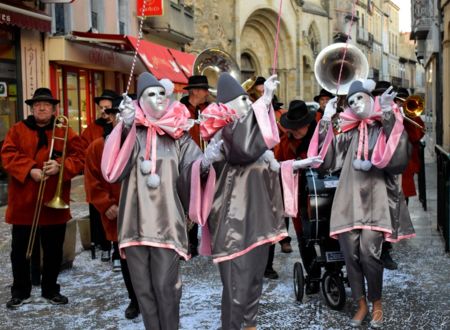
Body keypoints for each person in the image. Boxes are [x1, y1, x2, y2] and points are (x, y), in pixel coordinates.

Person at [308, 79, 415, 328]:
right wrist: (326, 120)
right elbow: (326, 159)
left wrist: (388, 115)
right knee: (350, 255)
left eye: (361, 98)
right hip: (348, 201)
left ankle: (376, 302)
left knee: (369, 254)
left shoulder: (381, 127)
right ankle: (361, 303)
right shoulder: (348, 132)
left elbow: (397, 157)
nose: (356, 104)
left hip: (375, 201)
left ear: (370, 99)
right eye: (352, 100)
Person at [101, 72, 204, 329]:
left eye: (161, 93)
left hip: (166, 222)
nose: (158, 98)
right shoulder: (130, 132)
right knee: (144, 292)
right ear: (139, 101)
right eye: (150, 94)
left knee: (167, 289)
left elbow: (195, 169)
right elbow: (114, 171)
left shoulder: (179, 135)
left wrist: (209, 160)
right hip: (134, 224)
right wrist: (123, 129)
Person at [198, 73, 293, 330]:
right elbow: (243, 149)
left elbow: (266, 160)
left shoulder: (252, 134)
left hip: (259, 220)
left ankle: (250, 325)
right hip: (232, 224)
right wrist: (265, 100)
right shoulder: (226, 133)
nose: (247, 104)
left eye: (246, 99)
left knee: (253, 281)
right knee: (235, 287)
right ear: (226, 107)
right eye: (242, 100)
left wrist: (298, 165)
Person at [1, 88, 84, 309]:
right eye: (37, 104)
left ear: (54, 109)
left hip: (53, 205)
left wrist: (60, 166)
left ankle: (50, 289)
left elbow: (80, 158)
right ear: (31, 108)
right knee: (20, 252)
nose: (41, 107)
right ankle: (20, 291)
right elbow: (7, 155)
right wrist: (29, 170)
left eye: (46, 104)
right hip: (23, 205)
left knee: (53, 252)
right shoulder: (17, 130)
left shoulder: (65, 130)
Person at [84, 97, 139, 319]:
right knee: (126, 257)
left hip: (147, 211)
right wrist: (106, 204)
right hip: (117, 211)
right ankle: (135, 300)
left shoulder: (146, 142)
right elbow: (92, 179)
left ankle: (154, 297)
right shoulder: (99, 145)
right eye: (119, 115)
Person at [273, 100, 321, 293]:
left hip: (320, 191)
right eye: (294, 127)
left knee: (325, 232)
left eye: (300, 126)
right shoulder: (286, 140)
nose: (297, 130)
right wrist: (293, 164)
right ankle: (313, 274)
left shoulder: (320, 135)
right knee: (303, 235)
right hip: (297, 192)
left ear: (308, 124)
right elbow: (278, 162)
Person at [81, 89, 119, 263]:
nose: (104, 111)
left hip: (117, 186)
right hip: (100, 182)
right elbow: (83, 151)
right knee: (98, 219)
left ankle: (117, 251)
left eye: (108, 108)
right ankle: (104, 246)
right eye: (101, 107)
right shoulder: (92, 129)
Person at [180, 75, 211, 257]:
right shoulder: (180, 110)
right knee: (186, 201)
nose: (207, 93)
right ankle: (188, 241)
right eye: (204, 89)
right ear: (195, 91)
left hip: (206, 160)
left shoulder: (207, 109)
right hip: (186, 161)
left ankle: (206, 239)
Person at [372, 80, 401, 270]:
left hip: (388, 171)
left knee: (388, 210)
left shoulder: (394, 112)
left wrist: (389, 112)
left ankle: (385, 250)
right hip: (369, 169)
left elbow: (399, 135)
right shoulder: (368, 112)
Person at [395, 88, 425, 205]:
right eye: (398, 100)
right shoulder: (391, 112)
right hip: (393, 157)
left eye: (403, 100)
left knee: (404, 190)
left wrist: (408, 119)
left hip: (408, 159)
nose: (401, 103)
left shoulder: (412, 115)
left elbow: (417, 136)